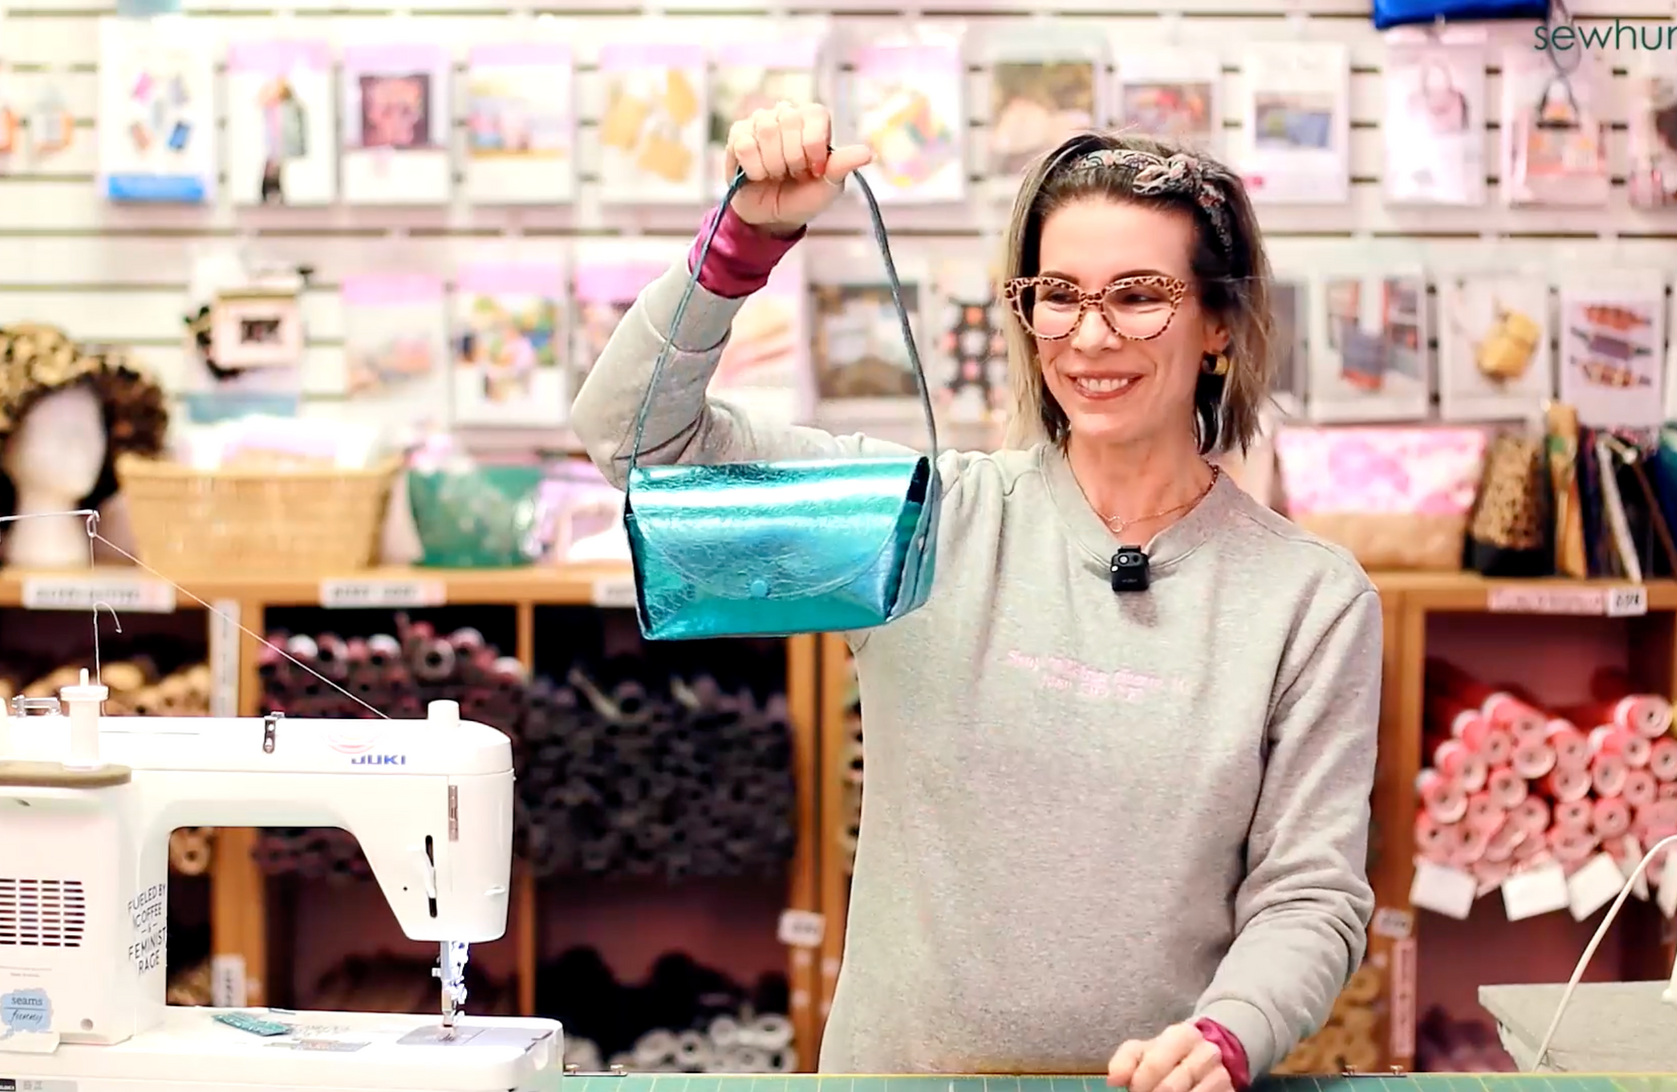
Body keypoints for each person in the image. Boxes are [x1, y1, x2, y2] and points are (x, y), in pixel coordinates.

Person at [572, 102, 1380, 1092]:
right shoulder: (922, 519)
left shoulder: (1309, 599)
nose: (1090, 335)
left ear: (1218, 323)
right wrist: (746, 239)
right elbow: (634, 442)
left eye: (1137, 296)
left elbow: (1309, 894)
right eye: (1057, 294)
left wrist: (1229, 1032)